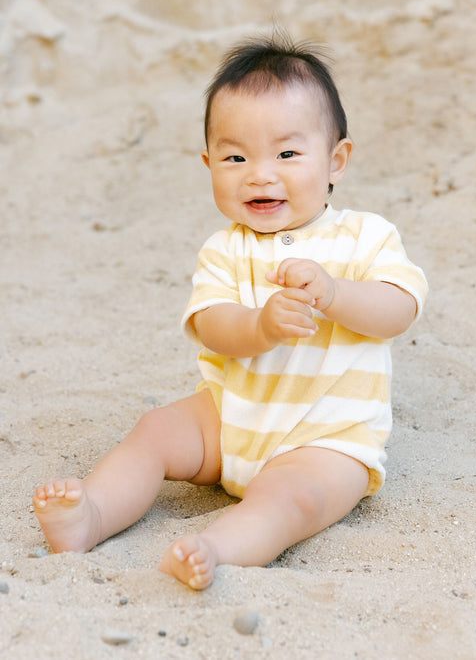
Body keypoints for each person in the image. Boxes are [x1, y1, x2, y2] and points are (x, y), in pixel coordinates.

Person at [32, 34, 428, 590]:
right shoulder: (225, 249)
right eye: (235, 156)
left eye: (288, 154)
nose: (260, 174)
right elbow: (212, 326)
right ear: (208, 163)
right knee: (155, 430)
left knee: (292, 498)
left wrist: (336, 293)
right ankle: (90, 514)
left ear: (336, 160)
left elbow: (399, 309)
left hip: (326, 439)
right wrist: (261, 325)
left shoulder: (366, 237)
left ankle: (215, 548)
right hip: (232, 416)